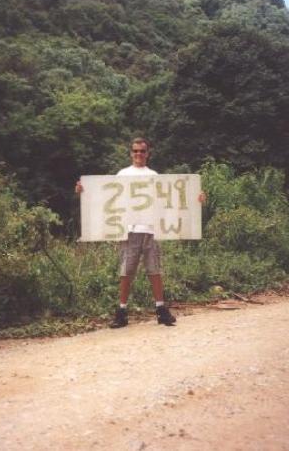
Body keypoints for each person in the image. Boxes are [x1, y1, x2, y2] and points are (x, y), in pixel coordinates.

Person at [76, 137, 205, 329]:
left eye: (142, 151)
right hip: (129, 230)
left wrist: (196, 200)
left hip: (151, 229)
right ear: (131, 153)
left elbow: (168, 200)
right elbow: (107, 197)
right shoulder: (122, 174)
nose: (138, 154)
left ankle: (161, 310)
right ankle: (121, 312)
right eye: (135, 151)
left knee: (155, 270)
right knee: (126, 272)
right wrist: (83, 192)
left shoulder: (154, 175)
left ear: (148, 153)